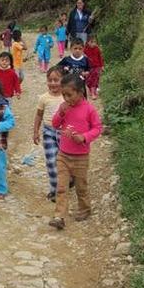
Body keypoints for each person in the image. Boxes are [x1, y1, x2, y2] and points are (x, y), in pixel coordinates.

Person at [49, 74, 102, 230]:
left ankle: (85, 209)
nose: (66, 98)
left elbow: (97, 128)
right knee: (61, 187)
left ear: (80, 92)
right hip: (63, 154)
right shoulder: (64, 107)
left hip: (81, 157)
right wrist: (61, 113)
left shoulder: (89, 109)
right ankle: (59, 216)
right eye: (63, 95)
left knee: (81, 186)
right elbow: (55, 124)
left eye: (69, 95)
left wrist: (84, 137)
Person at [33, 66, 65, 201]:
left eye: (56, 80)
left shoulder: (67, 97)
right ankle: (54, 189)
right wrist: (35, 132)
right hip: (48, 131)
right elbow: (39, 115)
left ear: (63, 80)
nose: (53, 83)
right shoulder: (43, 98)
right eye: (50, 80)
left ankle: (69, 181)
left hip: (65, 133)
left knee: (64, 161)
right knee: (51, 161)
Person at [84, 35, 104, 100]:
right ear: (88, 42)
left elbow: (100, 58)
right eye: (91, 42)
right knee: (89, 81)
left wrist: (102, 66)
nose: (93, 44)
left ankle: (93, 93)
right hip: (89, 68)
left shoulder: (97, 49)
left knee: (95, 79)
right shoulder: (85, 50)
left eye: (95, 42)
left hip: (97, 67)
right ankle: (92, 90)